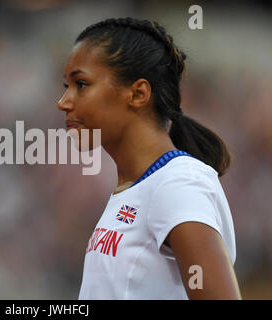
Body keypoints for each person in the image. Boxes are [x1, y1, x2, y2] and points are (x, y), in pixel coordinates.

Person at [57, 17, 241, 299]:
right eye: (66, 86)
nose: (64, 102)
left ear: (138, 93)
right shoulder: (139, 188)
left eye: (81, 84)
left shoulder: (177, 183)